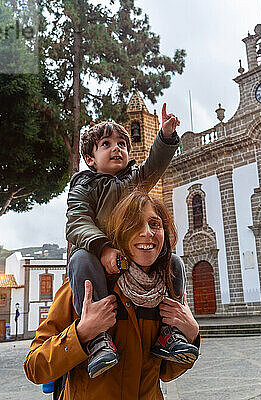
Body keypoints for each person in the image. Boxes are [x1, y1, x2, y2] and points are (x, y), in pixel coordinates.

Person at [24, 191, 200, 400]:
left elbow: (166, 372)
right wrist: (81, 334)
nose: (147, 233)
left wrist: (192, 335)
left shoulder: (165, 289)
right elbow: (35, 367)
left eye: (155, 224)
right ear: (119, 233)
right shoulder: (84, 286)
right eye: (134, 224)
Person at [66, 104, 198, 379]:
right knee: (80, 258)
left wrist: (164, 137)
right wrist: (102, 248)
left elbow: (154, 166)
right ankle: (98, 338)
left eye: (122, 144)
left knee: (173, 262)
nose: (117, 148)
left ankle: (170, 333)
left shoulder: (135, 181)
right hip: (97, 254)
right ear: (90, 159)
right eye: (106, 144)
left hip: (130, 256)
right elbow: (77, 222)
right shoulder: (84, 186)